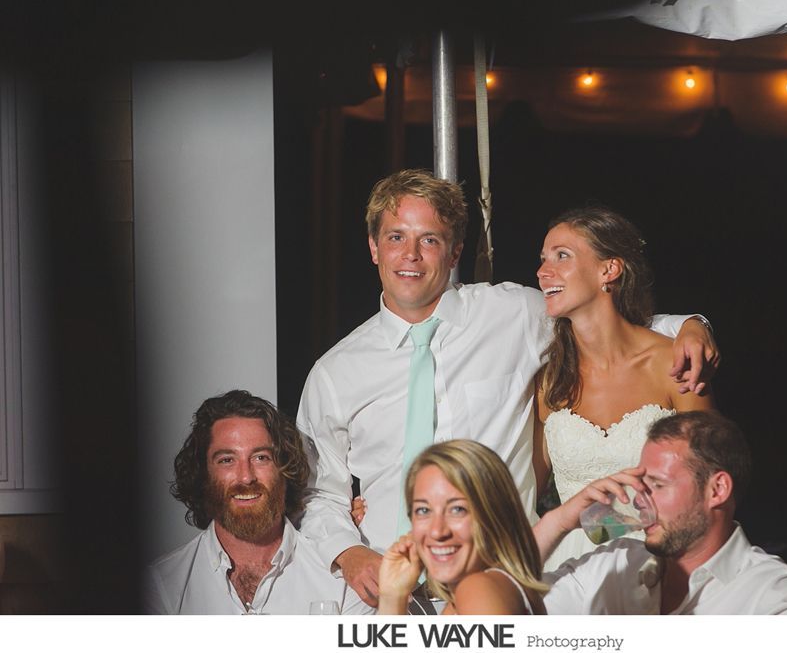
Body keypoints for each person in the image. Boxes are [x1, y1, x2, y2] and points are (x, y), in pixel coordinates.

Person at [296, 168, 718, 607]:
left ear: (455, 252)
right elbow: (317, 491)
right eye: (396, 237)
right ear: (373, 247)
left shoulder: (514, 314)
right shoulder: (335, 372)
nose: (411, 255)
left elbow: (607, 324)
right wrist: (348, 554)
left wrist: (691, 326)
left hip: (506, 584)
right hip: (388, 591)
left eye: (429, 240)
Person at [534, 206, 715, 570]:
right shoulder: (551, 381)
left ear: (609, 270)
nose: (542, 272)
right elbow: (530, 488)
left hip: (664, 562)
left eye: (562, 256)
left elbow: (707, 483)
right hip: (568, 570)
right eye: (543, 260)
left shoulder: (672, 365)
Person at [534, 411, 787, 615]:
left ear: (717, 490)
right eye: (641, 485)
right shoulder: (615, 564)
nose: (639, 501)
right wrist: (557, 521)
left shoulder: (771, 596)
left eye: (658, 485)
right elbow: (509, 605)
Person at [143, 390, 370, 615]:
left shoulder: (342, 579)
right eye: (227, 460)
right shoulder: (161, 587)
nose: (246, 477)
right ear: (203, 474)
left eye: (261, 458)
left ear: (285, 469)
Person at [378, 439, 546, 615]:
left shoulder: (477, 591)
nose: (437, 531)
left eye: (457, 509)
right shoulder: (485, 589)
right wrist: (392, 597)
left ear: (493, 514)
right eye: (423, 510)